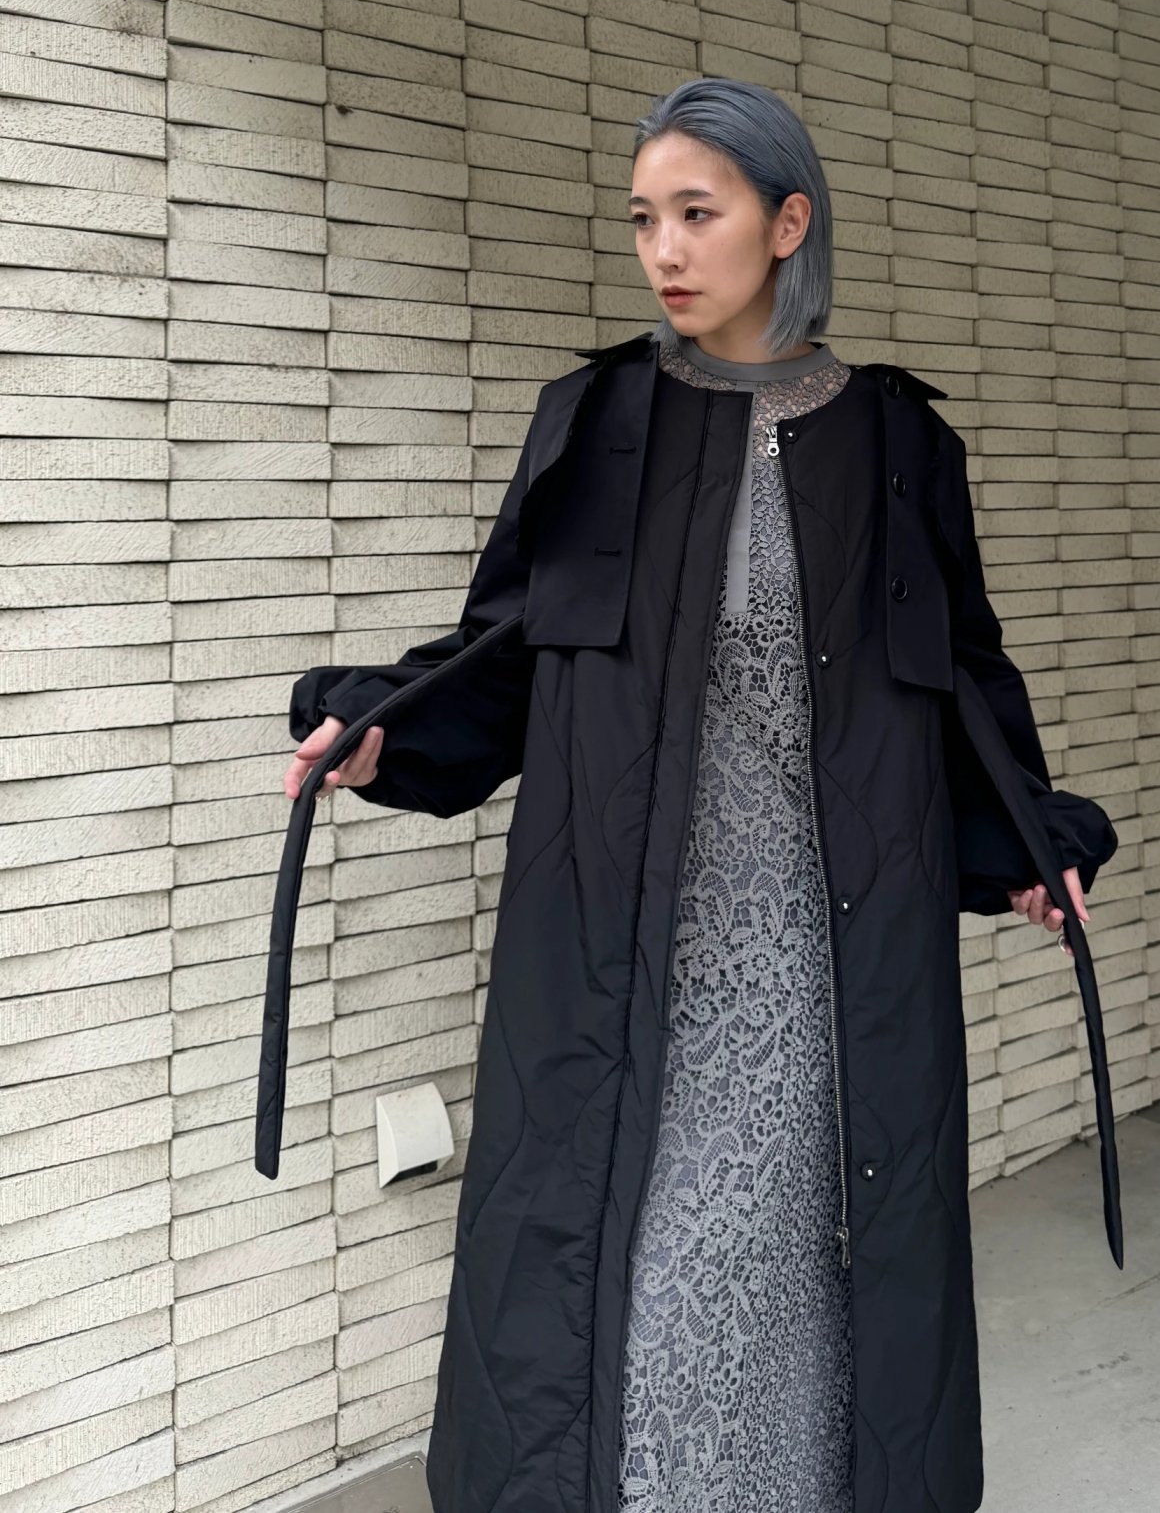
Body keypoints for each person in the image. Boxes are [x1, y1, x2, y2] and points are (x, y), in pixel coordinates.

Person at [273, 77, 1117, 1513]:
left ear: (788, 225)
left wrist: (1024, 843)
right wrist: (384, 737)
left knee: (808, 1271)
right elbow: (509, 649)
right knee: (639, 1274)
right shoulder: (596, 417)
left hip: (832, 956)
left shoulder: (901, 440)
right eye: (644, 219)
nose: (663, 250)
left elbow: (959, 674)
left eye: (696, 214)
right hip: (623, 939)